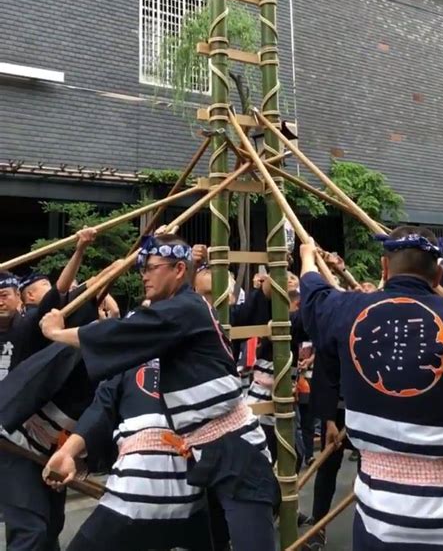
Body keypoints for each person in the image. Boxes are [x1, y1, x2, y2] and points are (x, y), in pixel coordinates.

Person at [40, 234, 280, 551]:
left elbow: (120, 333)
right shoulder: (166, 330)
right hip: (199, 453)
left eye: (151, 267)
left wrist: (56, 332)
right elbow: (105, 401)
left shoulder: (185, 309)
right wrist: (69, 451)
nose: (144, 275)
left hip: (235, 449)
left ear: (179, 269)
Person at [300, 226, 443, 550]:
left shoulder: (346, 312)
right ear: (438, 275)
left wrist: (307, 257)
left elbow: (312, 293)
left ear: (383, 268)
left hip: (376, 517)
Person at [43, 358, 212, 551]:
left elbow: (100, 411)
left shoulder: (125, 363)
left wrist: (67, 452)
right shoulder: (197, 364)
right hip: (191, 500)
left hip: (133, 497)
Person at [0, 227, 97, 551]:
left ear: (20, 299)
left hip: (28, 436)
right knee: (30, 527)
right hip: (12, 444)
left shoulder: (29, 330)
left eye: (5, 295)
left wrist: (80, 250)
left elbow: (62, 292)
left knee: (47, 524)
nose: (1, 301)